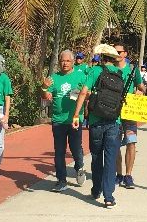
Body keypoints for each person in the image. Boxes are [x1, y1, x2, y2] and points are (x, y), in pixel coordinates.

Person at [71, 44, 124, 208]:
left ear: (101, 58)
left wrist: (76, 115)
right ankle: (109, 197)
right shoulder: (120, 74)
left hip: (96, 121)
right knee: (110, 159)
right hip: (114, 122)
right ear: (113, 59)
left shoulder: (94, 71)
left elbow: (83, 92)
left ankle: (96, 190)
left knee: (96, 157)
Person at [42, 50, 86, 192]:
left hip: (74, 119)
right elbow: (45, 94)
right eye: (62, 61)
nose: (65, 63)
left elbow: (88, 93)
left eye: (67, 61)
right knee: (59, 151)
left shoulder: (80, 76)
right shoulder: (54, 78)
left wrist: (83, 93)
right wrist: (44, 89)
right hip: (58, 120)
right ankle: (61, 180)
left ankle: (79, 167)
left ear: (73, 62)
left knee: (75, 148)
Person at [115, 44, 145, 189]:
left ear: (125, 54)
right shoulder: (108, 69)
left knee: (131, 142)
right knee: (114, 145)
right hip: (113, 113)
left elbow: (141, 87)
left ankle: (128, 175)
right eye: (114, 51)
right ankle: (118, 174)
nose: (116, 54)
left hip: (130, 112)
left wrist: (140, 91)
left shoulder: (133, 70)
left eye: (119, 51)